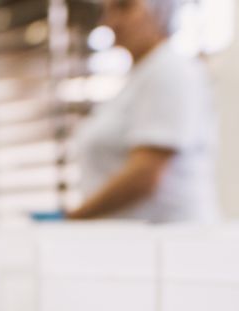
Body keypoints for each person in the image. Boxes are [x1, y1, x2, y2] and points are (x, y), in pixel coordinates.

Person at [68, 0, 219, 223]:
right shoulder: (139, 78)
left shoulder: (169, 70)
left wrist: (75, 217)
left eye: (124, 7)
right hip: (142, 242)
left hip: (170, 241)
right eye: (107, 13)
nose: (111, 22)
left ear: (160, 10)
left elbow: (146, 174)